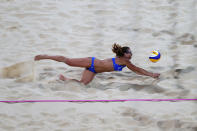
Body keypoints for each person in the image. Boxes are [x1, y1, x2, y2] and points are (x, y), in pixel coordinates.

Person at [34, 43, 160, 85]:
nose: (131, 54)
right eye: (129, 52)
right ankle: (45, 56)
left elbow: (136, 69)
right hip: (91, 62)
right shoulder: (124, 61)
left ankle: (63, 78)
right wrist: (151, 74)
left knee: (82, 84)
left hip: (94, 70)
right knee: (68, 61)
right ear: (124, 54)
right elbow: (137, 69)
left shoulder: (123, 61)